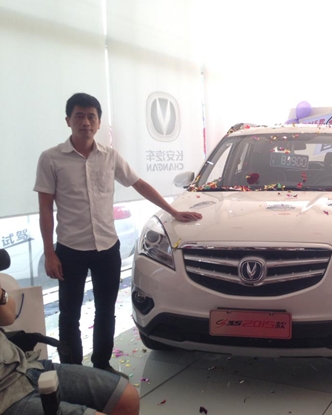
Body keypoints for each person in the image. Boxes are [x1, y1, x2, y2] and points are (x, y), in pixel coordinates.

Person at [33, 93, 202, 375]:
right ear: (68, 120)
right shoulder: (51, 158)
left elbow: (139, 184)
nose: (86, 122)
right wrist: (49, 253)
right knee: (69, 314)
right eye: (79, 116)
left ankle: (102, 366)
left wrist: (173, 211)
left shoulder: (109, 157)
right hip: (70, 250)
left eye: (91, 117)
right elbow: (45, 209)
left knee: (105, 311)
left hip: (107, 248)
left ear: (99, 123)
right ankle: (73, 372)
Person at [1, 280, 140, 415]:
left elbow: (9, 316)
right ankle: (74, 362)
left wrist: (1, 295)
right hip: (4, 396)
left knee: (128, 398)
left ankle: (102, 362)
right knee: (70, 315)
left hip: (23, 367)